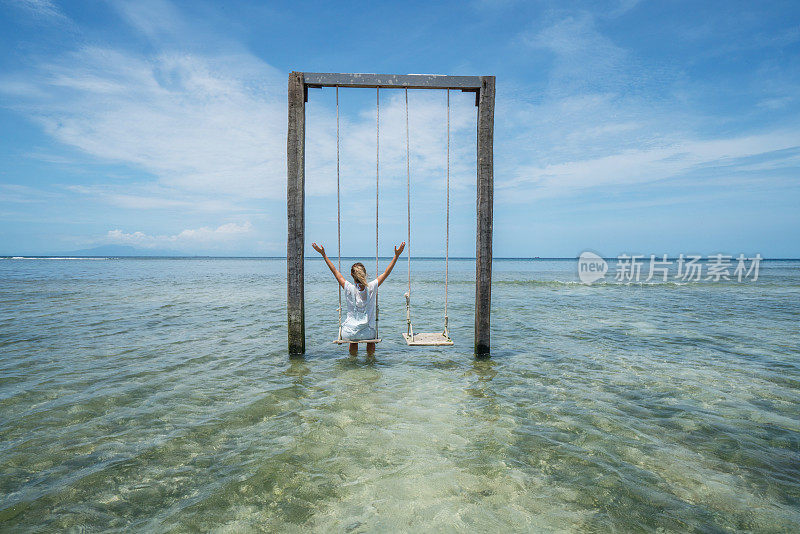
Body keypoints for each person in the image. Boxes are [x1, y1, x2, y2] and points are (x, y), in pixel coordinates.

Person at [312, 241, 405, 355]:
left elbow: (335, 271)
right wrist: (396, 256)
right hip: (367, 333)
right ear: (365, 274)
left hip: (349, 333)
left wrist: (323, 254)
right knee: (371, 341)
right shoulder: (371, 287)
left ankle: (353, 362)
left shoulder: (348, 288)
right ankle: (370, 362)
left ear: (352, 275)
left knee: (353, 340)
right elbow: (386, 272)